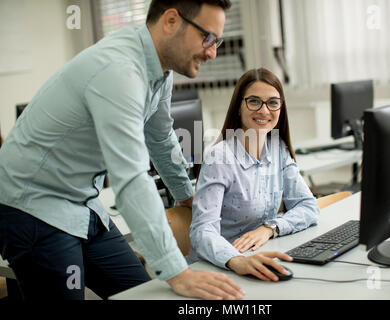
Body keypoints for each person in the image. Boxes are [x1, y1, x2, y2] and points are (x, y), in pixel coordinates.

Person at [0, 0, 244, 300]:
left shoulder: (159, 69)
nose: (212, 52)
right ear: (170, 21)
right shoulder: (119, 70)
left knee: (141, 293)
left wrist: (187, 196)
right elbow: (131, 178)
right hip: (34, 205)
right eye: (208, 38)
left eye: (217, 41)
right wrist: (177, 272)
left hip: (83, 202)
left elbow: (160, 136)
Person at [187, 68, 320, 281]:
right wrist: (236, 260)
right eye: (254, 101)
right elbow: (202, 230)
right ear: (239, 106)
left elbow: (308, 206)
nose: (264, 110)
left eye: (273, 102)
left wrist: (270, 228)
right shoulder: (220, 157)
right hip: (219, 267)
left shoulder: (278, 149)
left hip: (260, 255)